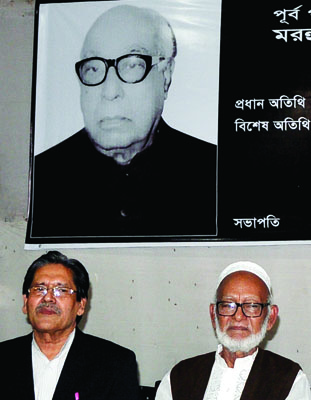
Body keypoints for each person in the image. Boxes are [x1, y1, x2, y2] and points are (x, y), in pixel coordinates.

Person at [31, 4, 215, 238]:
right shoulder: (42, 178)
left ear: (166, 75)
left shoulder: (213, 175)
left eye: (132, 64)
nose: (109, 91)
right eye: (94, 68)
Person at [136, 261, 311, 400]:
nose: (238, 316)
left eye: (252, 306)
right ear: (214, 315)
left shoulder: (288, 377)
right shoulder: (181, 375)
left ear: (270, 318)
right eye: (228, 305)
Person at [0, 251, 142, 400]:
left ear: (81, 305)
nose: (48, 297)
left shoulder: (114, 363)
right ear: (25, 301)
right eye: (39, 289)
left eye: (61, 290)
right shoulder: (4, 359)